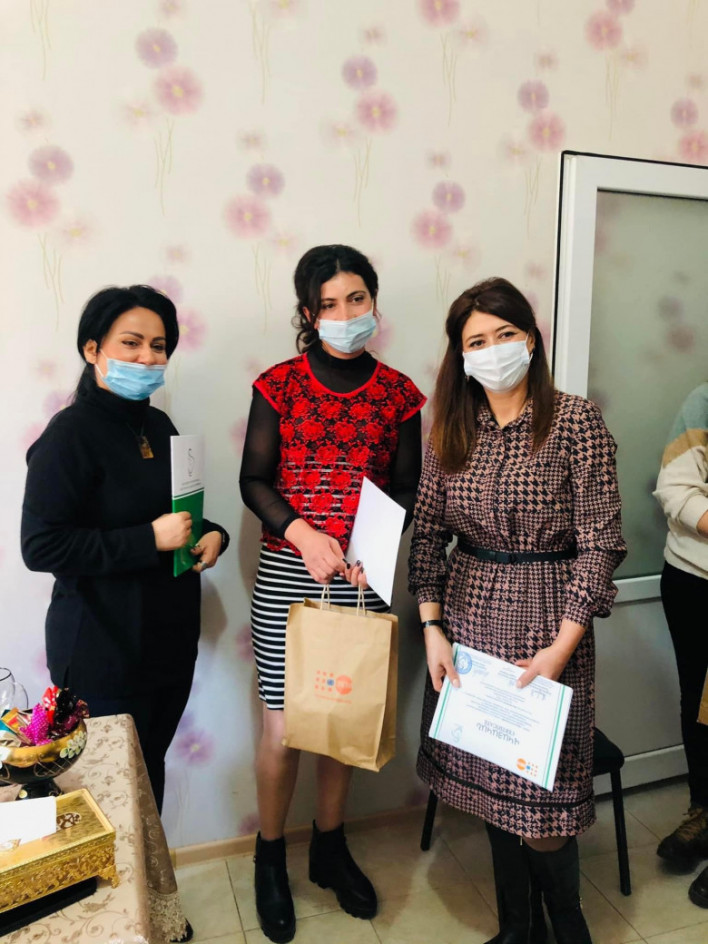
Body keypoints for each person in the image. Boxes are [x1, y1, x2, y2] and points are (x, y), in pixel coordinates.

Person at [408, 277, 625, 944]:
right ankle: (517, 929)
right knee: (492, 789)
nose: (493, 349)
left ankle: (568, 928)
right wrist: (432, 628)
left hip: (551, 626)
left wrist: (561, 647)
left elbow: (601, 543)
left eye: (505, 334)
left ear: (530, 339)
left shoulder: (575, 421)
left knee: (544, 804)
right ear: (461, 354)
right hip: (468, 625)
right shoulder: (449, 429)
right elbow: (427, 535)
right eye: (477, 340)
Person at [239, 244, 426, 943]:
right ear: (308, 313)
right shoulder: (278, 385)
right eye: (328, 304)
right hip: (290, 576)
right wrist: (302, 533)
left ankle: (329, 846)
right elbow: (254, 479)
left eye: (356, 299)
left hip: (362, 577)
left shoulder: (400, 393)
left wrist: (370, 546)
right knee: (285, 729)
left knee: (342, 724)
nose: (345, 314)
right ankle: (269, 858)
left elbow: (406, 484)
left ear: (373, 301)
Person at [21, 285, 229, 817]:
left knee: (146, 776)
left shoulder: (157, 425)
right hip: (102, 650)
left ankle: (149, 874)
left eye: (159, 346)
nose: (147, 358)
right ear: (92, 349)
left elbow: (177, 514)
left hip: (168, 642)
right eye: (131, 343)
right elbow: (41, 545)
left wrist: (213, 534)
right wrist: (147, 540)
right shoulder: (69, 435)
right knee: (108, 793)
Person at [654, 383, 708, 908]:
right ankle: (703, 813)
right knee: (697, 702)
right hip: (694, 577)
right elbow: (676, 490)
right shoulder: (704, 400)